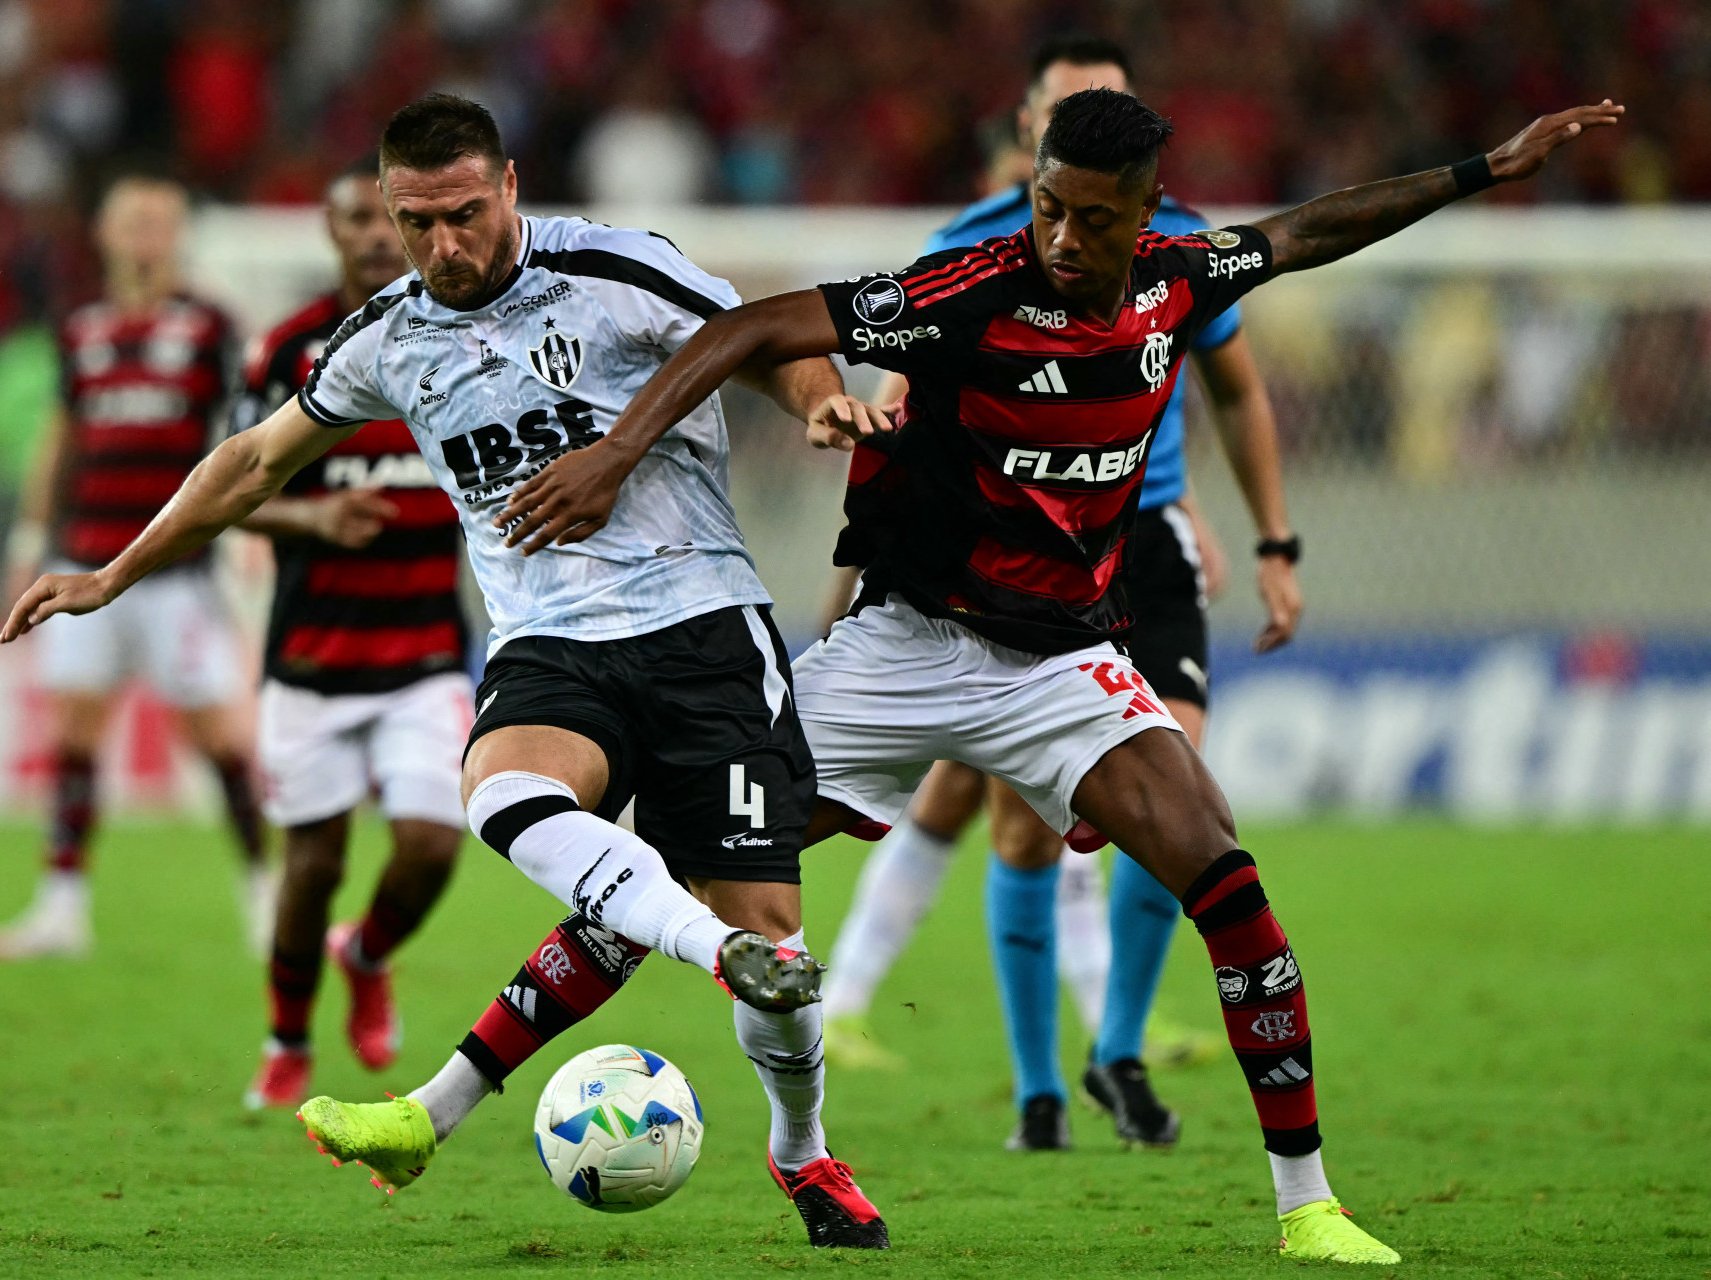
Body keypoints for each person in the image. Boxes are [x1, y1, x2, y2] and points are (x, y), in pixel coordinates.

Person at [492, 87, 1622, 1264]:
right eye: (1048, 209)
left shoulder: (1180, 280)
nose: (1064, 239)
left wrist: (1483, 169)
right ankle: (446, 1097)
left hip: (1065, 667)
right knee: (676, 869)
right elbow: (755, 328)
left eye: (1094, 218)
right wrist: (620, 452)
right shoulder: (963, 297)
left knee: (1232, 888)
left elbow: (1307, 229)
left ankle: (1309, 1205)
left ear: (1145, 215)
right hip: (905, 648)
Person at [0, 96, 896, 1249]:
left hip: (704, 626)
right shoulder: (387, 337)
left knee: (779, 947)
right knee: (500, 795)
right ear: (387, 208)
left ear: (510, 186)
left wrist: (825, 401)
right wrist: (110, 573)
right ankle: (706, 947)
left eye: (464, 215)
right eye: (417, 222)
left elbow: (763, 336)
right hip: (548, 638)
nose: (443, 247)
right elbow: (253, 461)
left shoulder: (617, 270)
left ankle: (801, 1146)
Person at [820, 35, 1301, 1158]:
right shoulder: (971, 251)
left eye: (1112, 109)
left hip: (1146, 537)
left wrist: (1271, 534)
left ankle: (1117, 1045)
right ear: (1029, 129)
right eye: (1067, 109)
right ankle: (1039, 1090)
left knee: (1181, 794)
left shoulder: (1172, 247)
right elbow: (903, 395)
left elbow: (1230, 386)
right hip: (1008, 560)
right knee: (1014, 825)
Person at [231, 158, 473, 1111]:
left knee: (430, 846)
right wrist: (313, 521)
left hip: (422, 651)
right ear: (331, 233)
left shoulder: (464, 335)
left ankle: (367, 956)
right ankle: (286, 1038)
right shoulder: (287, 351)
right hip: (313, 656)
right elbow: (234, 492)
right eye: (357, 222)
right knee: (313, 865)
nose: (377, 237)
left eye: (390, 222)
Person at [0, 175, 270, 962]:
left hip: (176, 569)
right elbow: (61, 439)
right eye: (132, 222)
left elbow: (247, 437)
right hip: (82, 562)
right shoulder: (82, 330)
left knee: (216, 735)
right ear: (106, 235)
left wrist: (252, 526)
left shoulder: (211, 327)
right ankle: (61, 908)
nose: (146, 236)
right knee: (75, 732)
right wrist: (27, 542)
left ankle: (265, 898)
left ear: (178, 236)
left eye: (159, 223)